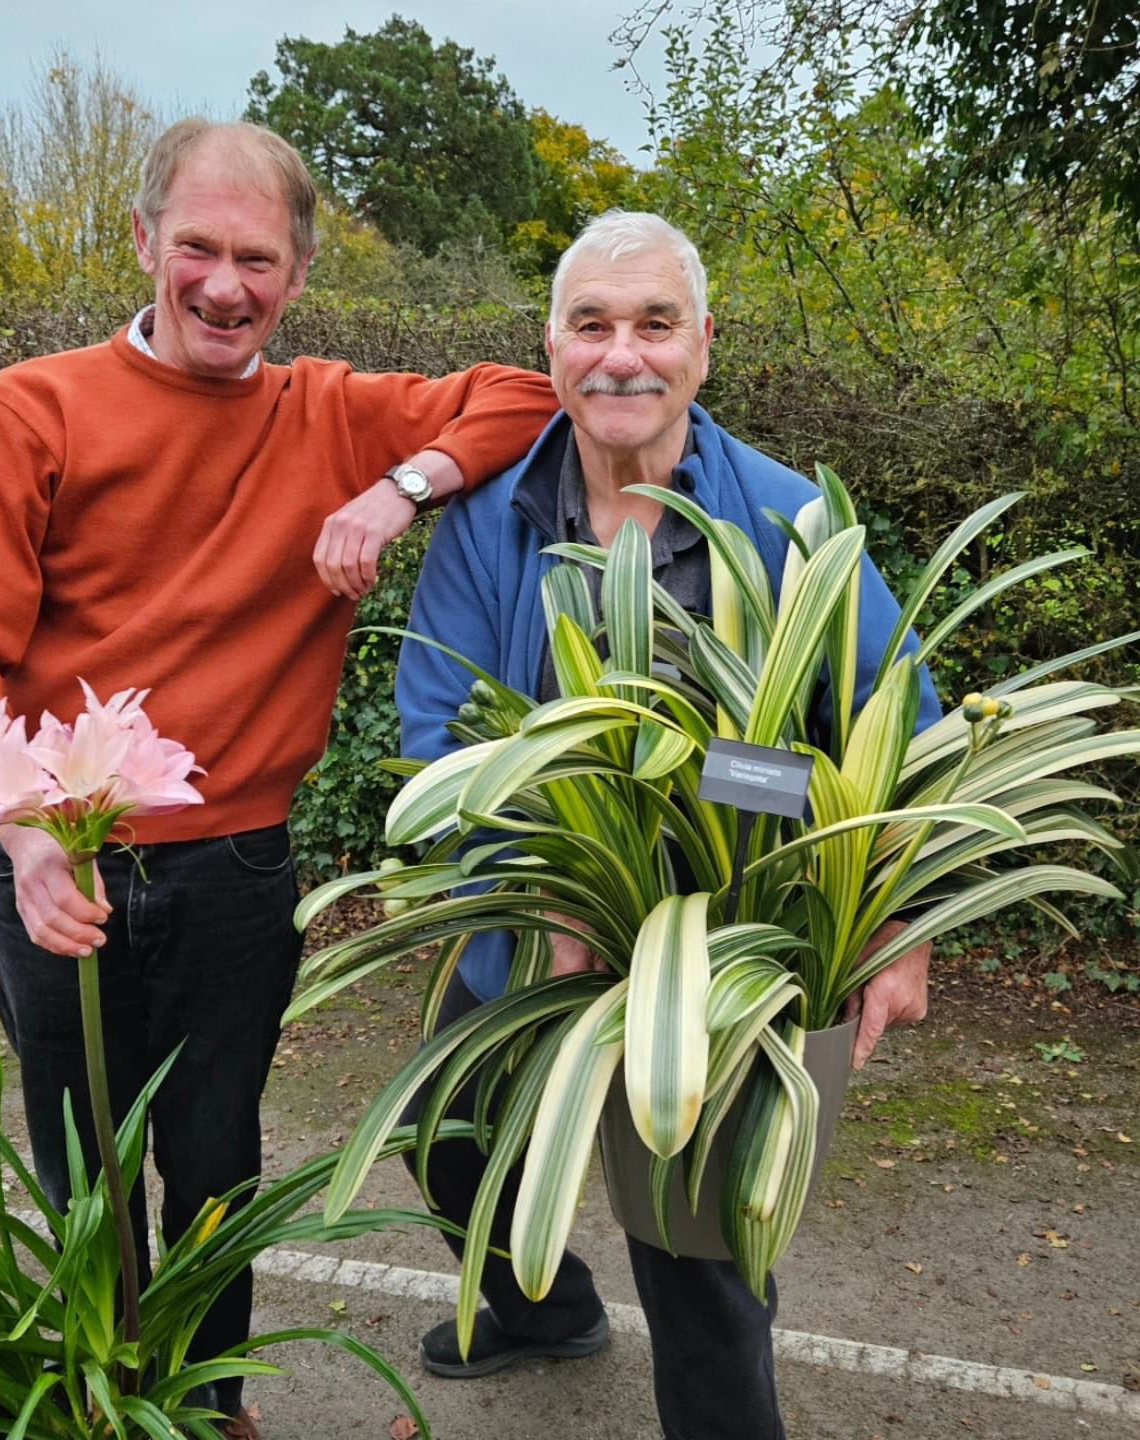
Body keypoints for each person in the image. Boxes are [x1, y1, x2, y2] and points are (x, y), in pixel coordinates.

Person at [0, 117, 557, 1439]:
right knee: (84, 1167)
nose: (223, 284)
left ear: (298, 274)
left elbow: (526, 396)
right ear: (143, 241)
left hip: (238, 870)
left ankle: (210, 1409)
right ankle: (102, 1404)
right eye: (195, 246)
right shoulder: (33, 407)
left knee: (213, 1165)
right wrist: (23, 837)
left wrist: (396, 492)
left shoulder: (329, 412)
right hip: (55, 857)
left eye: (256, 258)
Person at [394, 210, 941, 1440]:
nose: (621, 355)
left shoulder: (794, 521)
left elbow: (898, 732)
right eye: (591, 324)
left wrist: (898, 910)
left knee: (701, 1271)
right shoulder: (492, 520)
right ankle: (540, 1310)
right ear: (552, 346)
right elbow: (439, 728)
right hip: (536, 920)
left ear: (703, 346)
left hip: (725, 958)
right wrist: (545, 883)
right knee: (445, 1134)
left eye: (654, 323)